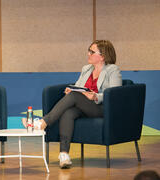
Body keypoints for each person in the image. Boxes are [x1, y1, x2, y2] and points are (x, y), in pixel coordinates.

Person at [37, 40, 122, 168]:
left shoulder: (112, 70)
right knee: (68, 112)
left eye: (92, 52)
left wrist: (95, 96)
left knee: (75, 96)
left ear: (102, 56)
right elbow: (78, 87)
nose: (88, 54)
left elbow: (115, 93)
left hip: (102, 108)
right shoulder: (86, 69)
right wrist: (71, 89)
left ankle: (43, 122)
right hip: (84, 107)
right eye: (89, 50)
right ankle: (64, 155)